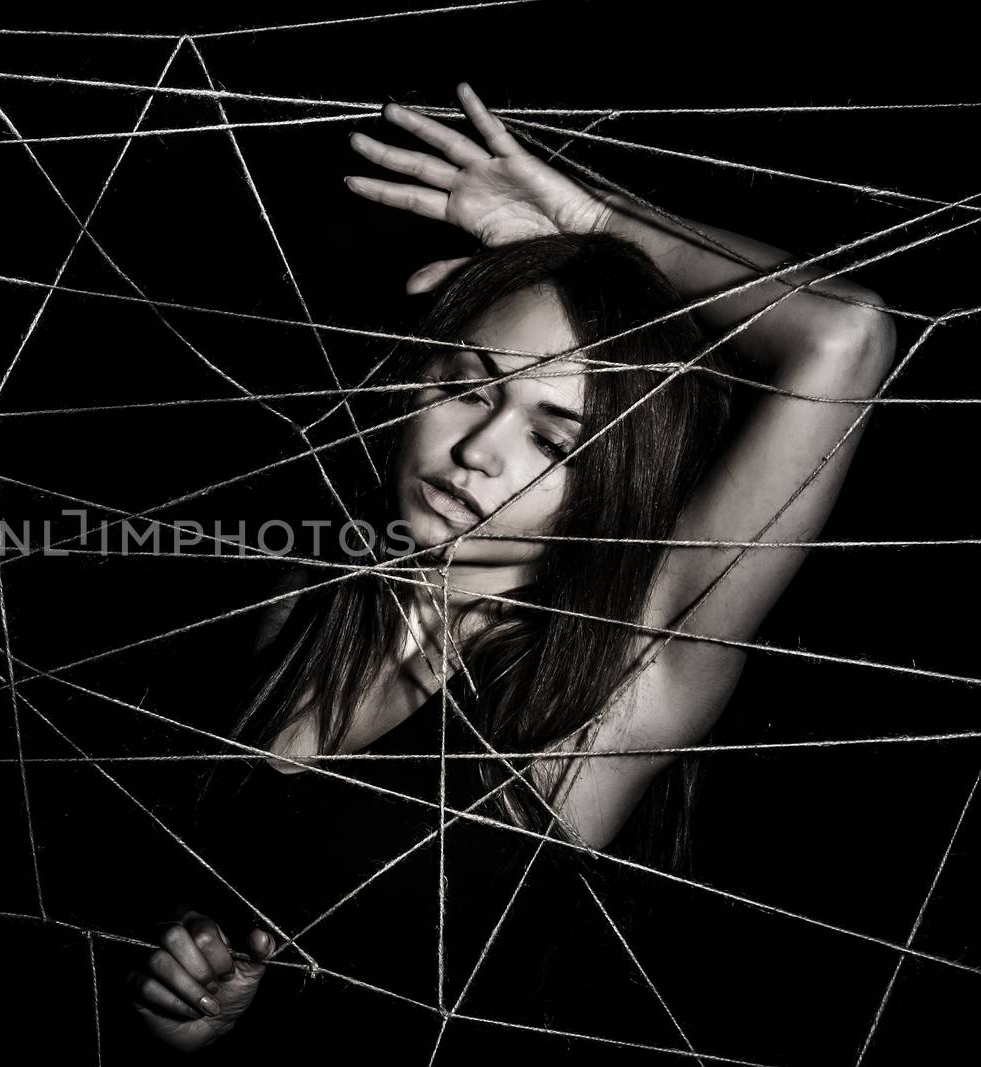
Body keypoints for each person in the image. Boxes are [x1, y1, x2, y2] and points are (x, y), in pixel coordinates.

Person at [123, 81, 896, 1059]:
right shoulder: (306, 594)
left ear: (610, 485)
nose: (480, 451)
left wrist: (597, 226)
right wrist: (203, 990)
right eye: (469, 388)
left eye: (555, 439)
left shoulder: (615, 683)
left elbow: (842, 336)